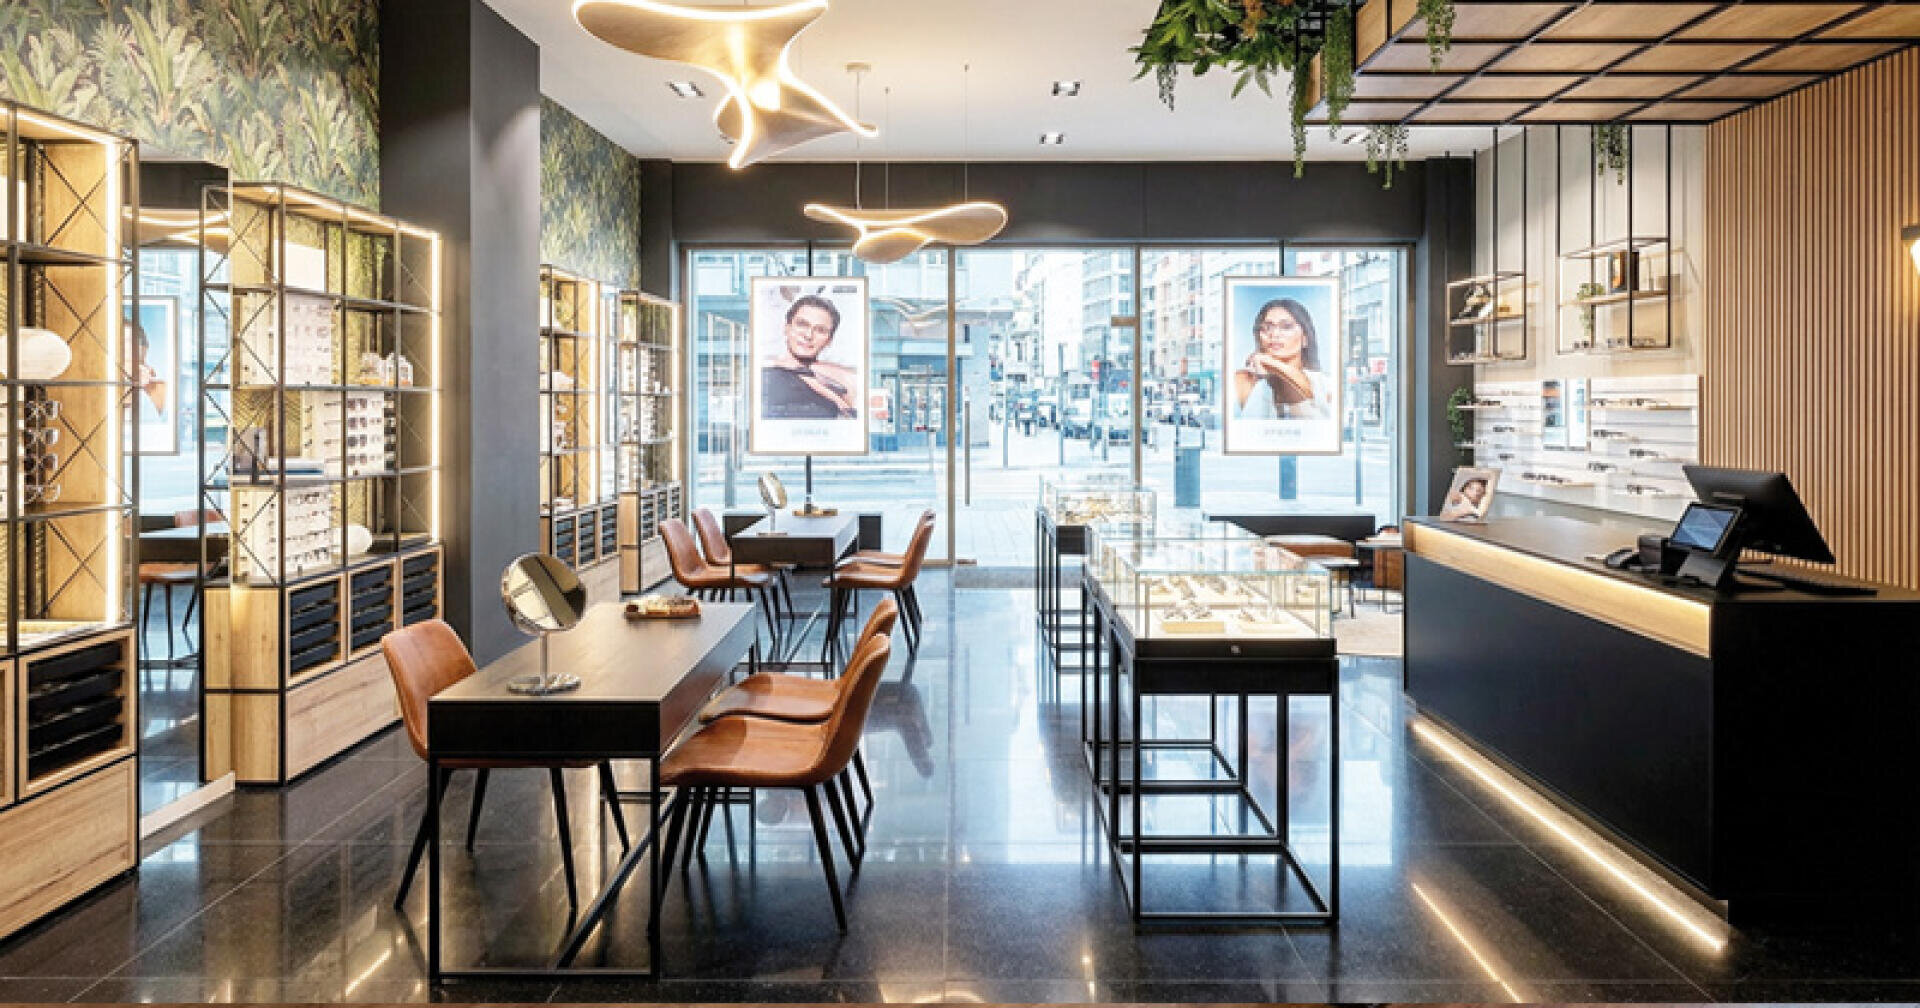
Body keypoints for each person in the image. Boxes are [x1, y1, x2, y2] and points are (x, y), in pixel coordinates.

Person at [1230, 298, 1333, 420]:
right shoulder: (1245, 381)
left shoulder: (1324, 384)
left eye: (1286, 327)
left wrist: (1269, 365)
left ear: (1305, 338)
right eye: (1267, 327)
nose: (1274, 334)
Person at [761, 293, 857, 419]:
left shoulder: (837, 380)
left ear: (829, 340)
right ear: (787, 328)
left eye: (820, 330)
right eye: (802, 324)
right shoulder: (765, 377)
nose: (808, 335)